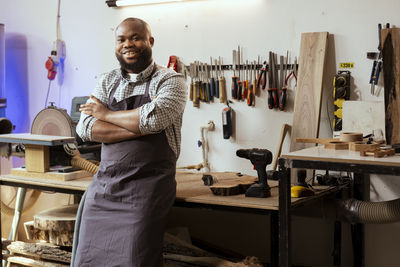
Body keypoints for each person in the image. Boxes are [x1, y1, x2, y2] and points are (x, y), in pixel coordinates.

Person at [73, 17, 187, 267]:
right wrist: (138, 126)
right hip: (105, 188)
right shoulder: (107, 81)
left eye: (135, 37)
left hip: (147, 190)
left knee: (136, 258)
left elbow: (154, 119)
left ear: (150, 41)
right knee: (89, 260)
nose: (128, 44)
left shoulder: (171, 80)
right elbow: (86, 128)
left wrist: (106, 115)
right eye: (122, 39)